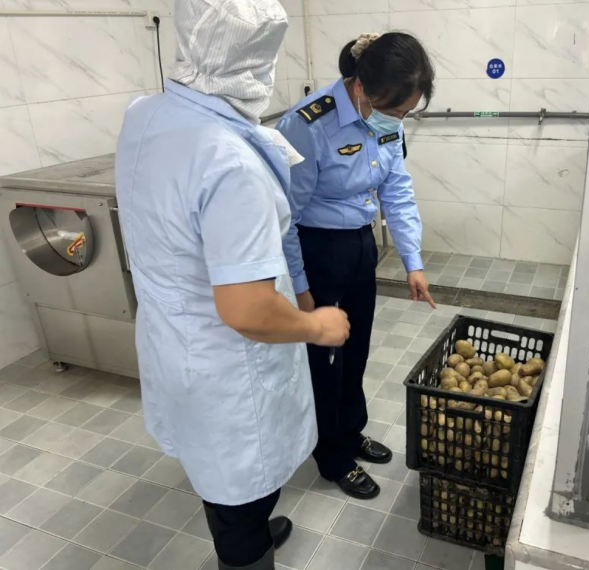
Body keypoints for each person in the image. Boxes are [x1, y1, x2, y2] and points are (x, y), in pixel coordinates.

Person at [115, 1, 350, 569]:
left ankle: (249, 527)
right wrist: (316, 325)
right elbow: (247, 309)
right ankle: (246, 551)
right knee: (238, 494)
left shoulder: (145, 114)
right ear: (257, 60)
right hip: (227, 368)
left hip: (175, 340)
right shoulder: (230, 163)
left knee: (217, 471)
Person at [276, 32, 436, 499]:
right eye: (395, 110)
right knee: (326, 360)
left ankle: (350, 431)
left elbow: (396, 190)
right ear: (363, 87)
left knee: (357, 347)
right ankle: (332, 456)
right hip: (317, 250)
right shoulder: (307, 125)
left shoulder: (386, 117)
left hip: (360, 246)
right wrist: (302, 290)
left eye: (407, 112)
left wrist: (412, 261)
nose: (399, 120)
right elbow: (284, 218)